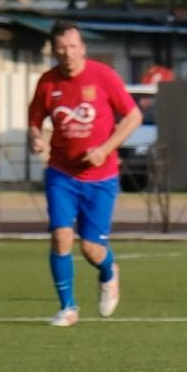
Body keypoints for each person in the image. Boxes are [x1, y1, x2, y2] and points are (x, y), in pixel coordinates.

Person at [27, 21, 141, 325]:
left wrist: (105, 148)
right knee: (61, 236)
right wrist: (35, 138)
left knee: (91, 249)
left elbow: (133, 116)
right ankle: (68, 307)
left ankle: (109, 271)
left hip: (101, 178)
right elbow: (35, 119)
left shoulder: (103, 76)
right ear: (53, 50)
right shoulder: (47, 83)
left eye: (73, 47)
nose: (68, 54)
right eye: (61, 48)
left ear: (83, 48)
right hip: (62, 173)